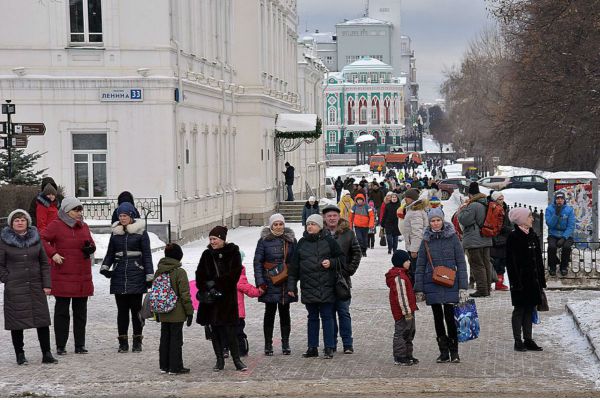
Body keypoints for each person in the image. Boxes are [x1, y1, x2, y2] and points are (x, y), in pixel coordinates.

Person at [0, 209, 58, 365]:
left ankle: (46, 353)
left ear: (28, 222)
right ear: (11, 224)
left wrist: (46, 284)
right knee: (16, 323)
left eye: (23, 219)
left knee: (42, 321)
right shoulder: (4, 241)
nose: (20, 222)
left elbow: (44, 263)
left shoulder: (36, 239)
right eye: (16, 220)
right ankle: (20, 354)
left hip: (36, 286)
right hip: (15, 288)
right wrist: (8, 278)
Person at [41, 197, 96, 355]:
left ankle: (80, 345)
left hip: (81, 276)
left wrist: (90, 248)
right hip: (63, 275)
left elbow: (91, 242)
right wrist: (53, 254)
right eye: (75, 210)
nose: (79, 213)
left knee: (80, 313)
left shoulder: (83, 226)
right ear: (66, 211)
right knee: (62, 313)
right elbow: (42, 238)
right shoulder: (56, 225)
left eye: (80, 210)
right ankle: (61, 345)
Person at [414, 208, 469, 363]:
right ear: (429, 222)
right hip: (432, 283)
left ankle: (454, 351)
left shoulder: (453, 238)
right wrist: (419, 288)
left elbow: (461, 263)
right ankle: (443, 352)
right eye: (432, 220)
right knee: (438, 318)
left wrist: (463, 286)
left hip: (450, 282)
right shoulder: (426, 240)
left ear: (442, 220)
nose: (436, 223)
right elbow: (420, 265)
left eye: (438, 220)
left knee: (450, 318)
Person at [288, 214, 345, 359]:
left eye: (313, 224)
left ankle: (329, 347)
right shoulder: (301, 243)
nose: (310, 226)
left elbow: (341, 259)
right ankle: (312, 347)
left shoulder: (329, 241)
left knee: (327, 317)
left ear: (320, 226)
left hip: (326, 286)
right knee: (312, 317)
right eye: (308, 224)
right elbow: (294, 267)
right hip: (308, 286)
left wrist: (331, 263)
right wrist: (291, 287)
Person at [100, 202, 155, 353]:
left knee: (136, 310)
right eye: (120, 216)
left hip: (136, 274)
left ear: (131, 216)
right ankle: (122, 341)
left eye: (125, 215)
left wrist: (149, 275)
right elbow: (110, 253)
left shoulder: (141, 233)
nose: (122, 218)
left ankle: (137, 340)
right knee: (122, 311)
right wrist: (105, 267)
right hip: (119, 275)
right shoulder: (115, 233)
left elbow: (147, 255)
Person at [195, 226, 246, 371]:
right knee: (215, 331)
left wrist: (216, 283)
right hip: (211, 300)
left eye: (215, 239)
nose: (212, 242)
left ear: (222, 239)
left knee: (231, 331)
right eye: (210, 239)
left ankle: (237, 360)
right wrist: (207, 287)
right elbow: (199, 275)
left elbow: (234, 275)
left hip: (227, 299)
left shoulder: (233, 252)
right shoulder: (206, 254)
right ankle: (219, 361)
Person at [253, 214, 297, 356]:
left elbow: (295, 264)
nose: (278, 227)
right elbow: (257, 263)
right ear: (271, 226)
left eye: (281, 224)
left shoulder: (290, 240)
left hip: (285, 282)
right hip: (269, 282)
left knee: (285, 313)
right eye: (275, 224)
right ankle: (268, 344)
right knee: (269, 313)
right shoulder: (264, 241)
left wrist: (292, 284)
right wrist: (260, 282)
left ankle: (285, 343)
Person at [322, 204, 362, 354]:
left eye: (334, 215)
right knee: (329, 313)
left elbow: (356, 252)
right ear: (324, 218)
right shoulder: (320, 233)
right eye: (329, 216)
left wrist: (349, 270)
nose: (332, 218)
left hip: (343, 280)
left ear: (339, 217)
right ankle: (331, 343)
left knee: (343, 312)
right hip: (325, 280)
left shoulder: (348, 233)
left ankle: (347, 343)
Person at [506, 208, 546, 352]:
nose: (532, 219)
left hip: (533, 280)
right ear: (521, 219)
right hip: (520, 282)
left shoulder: (533, 235)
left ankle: (528, 339)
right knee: (519, 310)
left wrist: (541, 280)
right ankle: (518, 341)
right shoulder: (514, 237)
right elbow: (511, 263)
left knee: (530, 309)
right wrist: (516, 283)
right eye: (529, 216)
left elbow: (539, 260)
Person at [155, 243, 194, 374]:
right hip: (177, 311)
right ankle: (175, 366)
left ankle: (164, 366)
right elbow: (185, 295)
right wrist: (189, 312)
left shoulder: (159, 270)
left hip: (162, 310)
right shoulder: (179, 272)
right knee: (176, 339)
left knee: (164, 338)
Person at [458, 182, 494, 297]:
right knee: (485, 264)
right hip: (485, 238)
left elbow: (464, 220)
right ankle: (487, 288)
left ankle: (482, 290)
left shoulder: (473, 205)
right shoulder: (486, 202)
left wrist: (462, 210)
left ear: (470, 194)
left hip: (474, 240)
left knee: (477, 265)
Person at [385, 250, 418, 366]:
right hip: (403, 312)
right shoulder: (399, 277)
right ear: (401, 262)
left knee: (410, 332)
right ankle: (399, 356)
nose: (409, 262)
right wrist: (407, 312)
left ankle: (408, 354)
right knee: (402, 332)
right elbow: (402, 296)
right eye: (407, 260)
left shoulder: (404, 275)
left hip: (409, 309)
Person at [234, 252, 263, 357]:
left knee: (238, 332)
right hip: (231, 312)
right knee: (232, 331)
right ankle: (229, 349)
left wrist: (259, 292)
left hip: (237, 312)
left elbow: (249, 289)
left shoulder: (238, 278)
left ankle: (242, 349)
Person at [398, 189, 428, 283]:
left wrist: (414, 249)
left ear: (412, 198)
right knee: (415, 270)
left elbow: (417, 232)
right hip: (413, 245)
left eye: (407, 197)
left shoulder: (415, 212)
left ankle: (418, 290)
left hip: (416, 247)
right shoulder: (412, 209)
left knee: (416, 271)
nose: (405, 199)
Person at [545, 192, 575, 276]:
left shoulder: (569, 210)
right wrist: (556, 214)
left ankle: (564, 267)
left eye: (561, 199)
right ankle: (552, 267)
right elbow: (550, 224)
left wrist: (564, 238)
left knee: (566, 247)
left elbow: (571, 226)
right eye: (558, 199)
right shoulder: (549, 209)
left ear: (564, 200)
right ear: (555, 199)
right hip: (553, 234)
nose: (559, 200)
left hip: (566, 234)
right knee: (551, 247)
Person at [490, 191, 511, 291]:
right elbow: (495, 225)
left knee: (502, 262)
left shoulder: (504, 208)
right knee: (496, 262)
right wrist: (506, 228)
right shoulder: (493, 209)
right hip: (496, 239)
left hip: (503, 239)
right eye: (499, 199)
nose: (502, 201)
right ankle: (494, 283)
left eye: (502, 198)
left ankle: (499, 283)